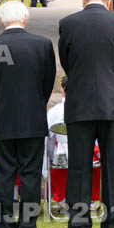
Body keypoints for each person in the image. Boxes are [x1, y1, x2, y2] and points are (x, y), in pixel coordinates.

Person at [58, 0, 114, 228]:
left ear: (83, 0)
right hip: (113, 103)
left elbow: (67, 61)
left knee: (79, 168)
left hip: (80, 103)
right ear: (109, 1)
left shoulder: (68, 23)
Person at [0, 0, 56, 228]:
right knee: (31, 175)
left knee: (3, 174)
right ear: (25, 18)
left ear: (1, 21)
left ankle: (3, 227)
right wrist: (37, 105)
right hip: (32, 119)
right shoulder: (42, 45)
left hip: (2, 119)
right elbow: (48, 82)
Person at [46, 76, 102, 205]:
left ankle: (62, 198)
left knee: (54, 154)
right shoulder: (90, 109)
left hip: (59, 158)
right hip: (86, 156)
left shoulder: (54, 112)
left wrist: (49, 154)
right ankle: (90, 199)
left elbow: (47, 138)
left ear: (62, 89)